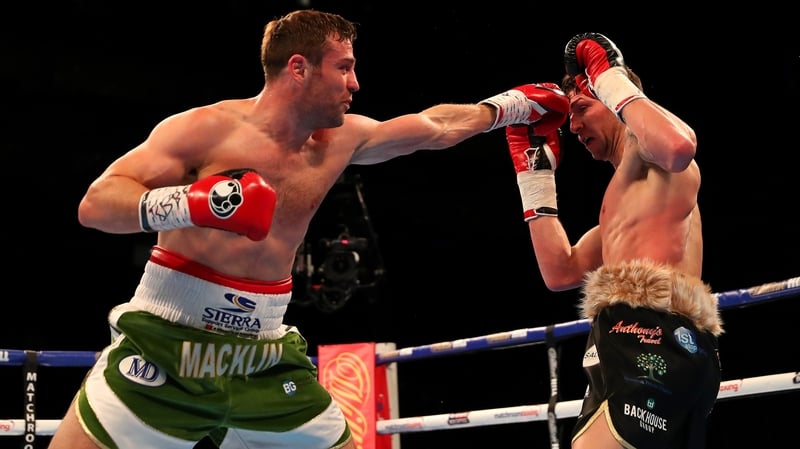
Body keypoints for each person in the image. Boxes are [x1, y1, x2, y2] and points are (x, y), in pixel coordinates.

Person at [49, 9, 570, 449]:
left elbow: (436, 127)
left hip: (263, 352)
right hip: (167, 342)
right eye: (343, 68)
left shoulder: (341, 142)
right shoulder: (205, 130)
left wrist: (512, 106)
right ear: (298, 68)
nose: (355, 84)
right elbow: (97, 204)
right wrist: (194, 204)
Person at [503, 33, 723, 449]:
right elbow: (560, 270)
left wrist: (609, 76)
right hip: (634, 341)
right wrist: (534, 179)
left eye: (582, 108)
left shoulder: (654, 155)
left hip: (651, 335)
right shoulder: (627, 203)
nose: (573, 125)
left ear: (614, 97)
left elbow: (678, 146)